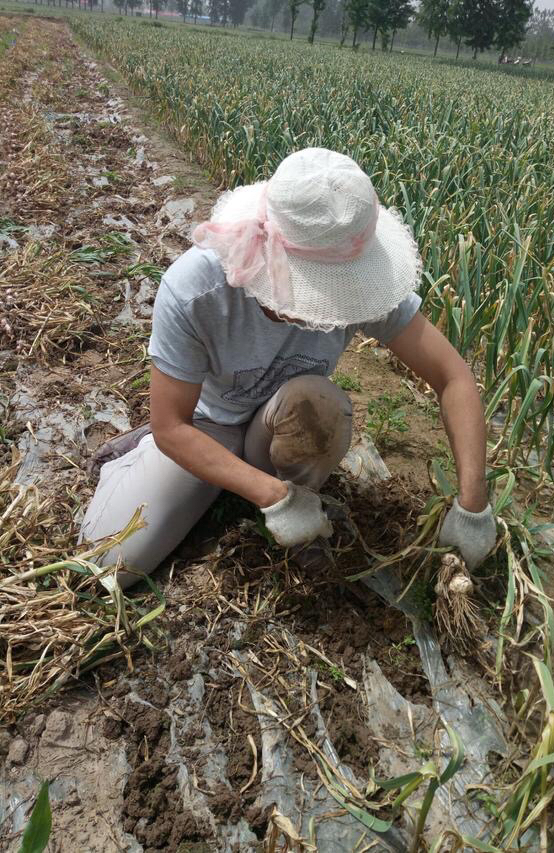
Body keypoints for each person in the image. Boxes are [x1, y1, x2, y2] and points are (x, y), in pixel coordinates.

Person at [80, 148, 496, 589]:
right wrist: (273, 497)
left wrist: (473, 505)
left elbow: (453, 378)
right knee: (108, 564)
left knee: (320, 404)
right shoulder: (197, 290)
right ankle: (152, 463)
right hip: (206, 423)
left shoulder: (356, 282)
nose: (316, 312)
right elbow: (172, 427)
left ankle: (293, 492)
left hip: (279, 421)